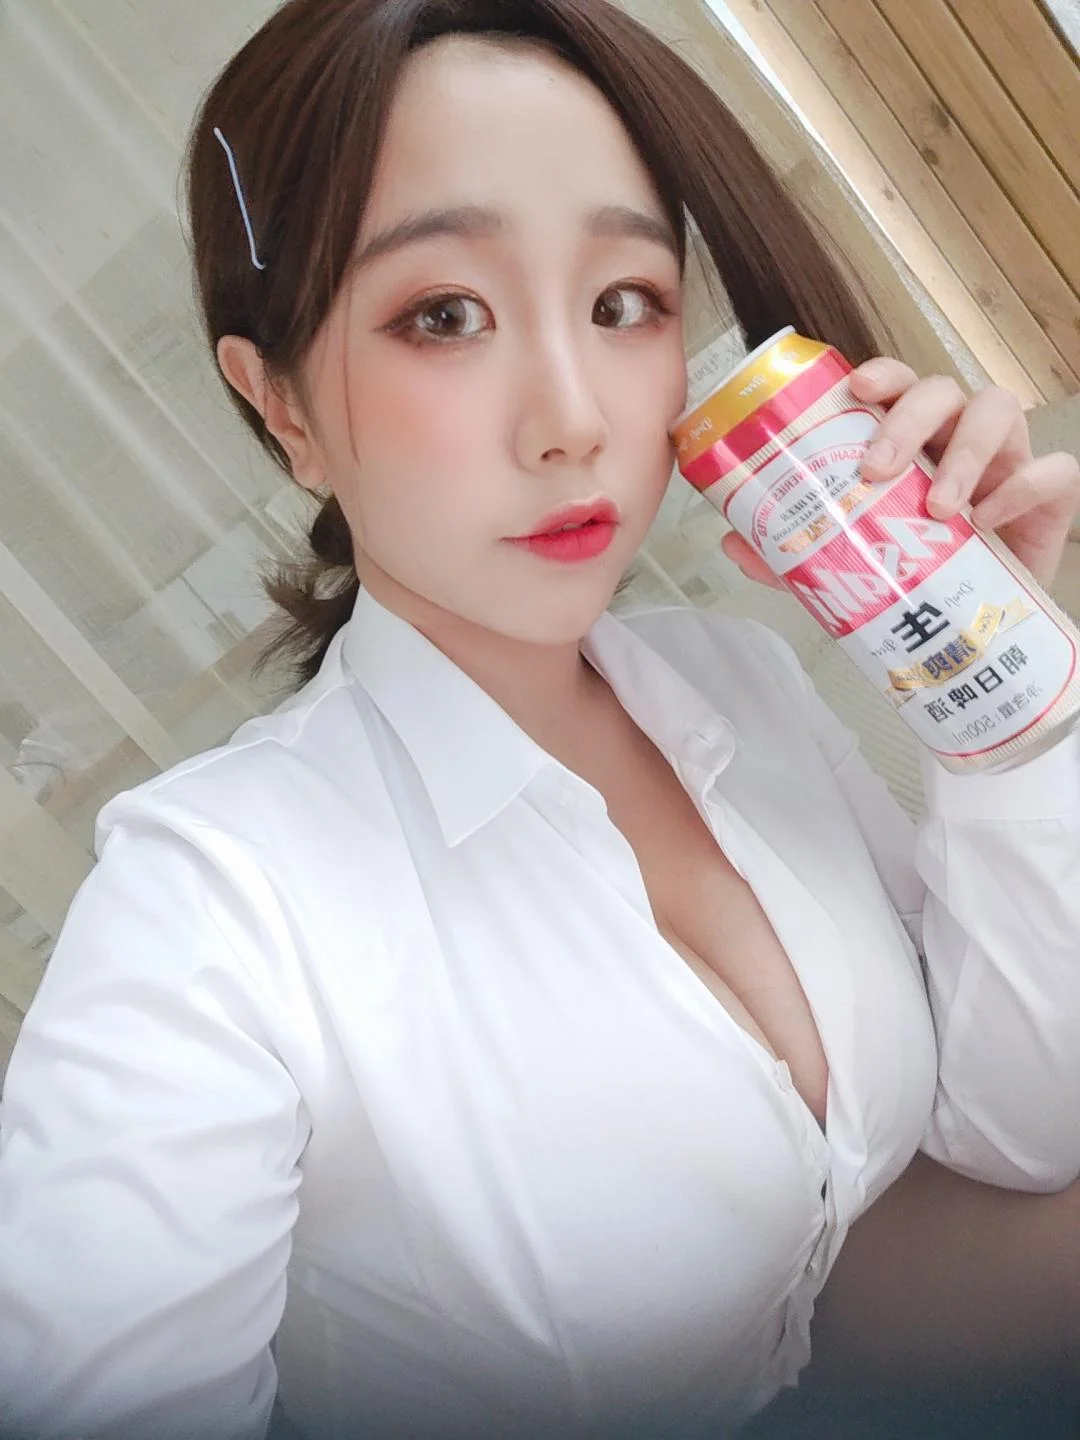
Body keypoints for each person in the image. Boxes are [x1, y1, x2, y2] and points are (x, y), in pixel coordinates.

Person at [0, 0, 1078, 1436]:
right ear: (282, 409)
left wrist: (997, 706)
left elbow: (1015, 1135)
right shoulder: (213, 902)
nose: (573, 418)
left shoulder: (732, 679)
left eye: (624, 302)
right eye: (443, 316)